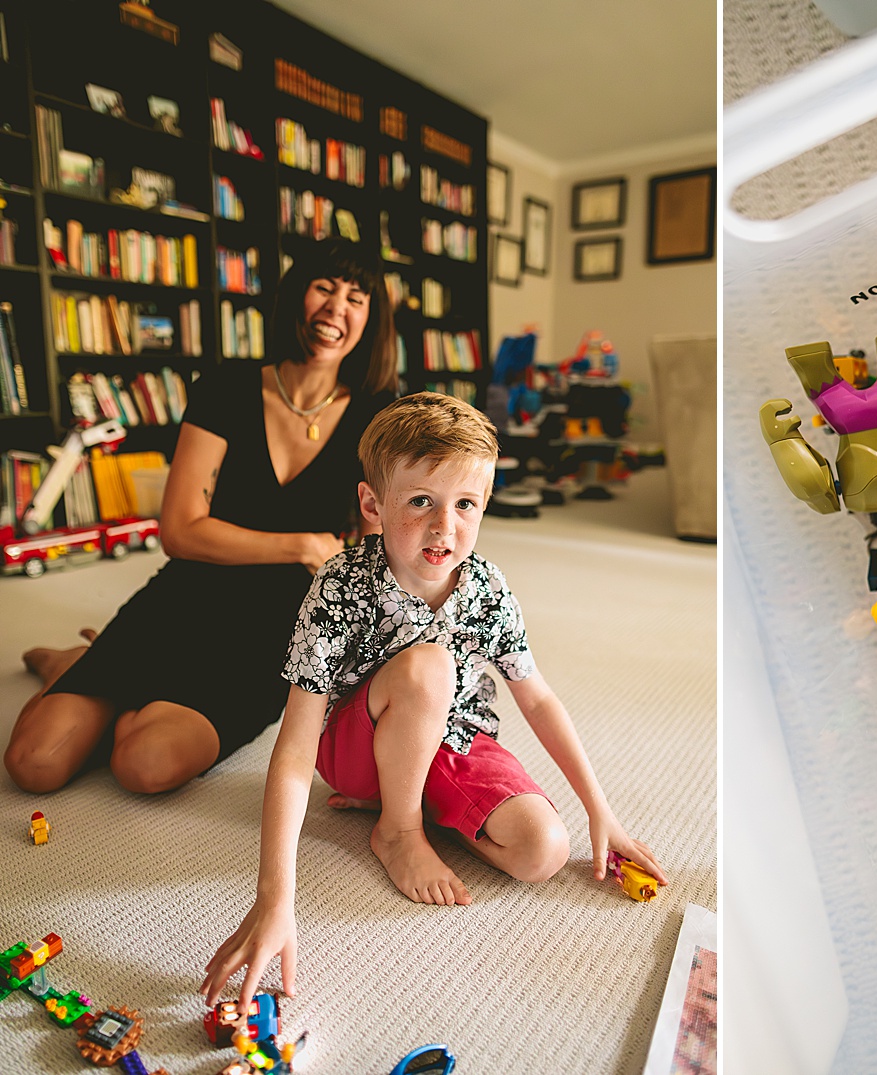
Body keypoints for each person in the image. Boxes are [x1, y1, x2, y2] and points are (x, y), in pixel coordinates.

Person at [201, 393, 666, 1008]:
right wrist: (274, 898)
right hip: (356, 744)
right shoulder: (339, 584)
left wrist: (599, 810)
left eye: (466, 504)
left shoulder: (488, 588)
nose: (445, 528)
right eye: (421, 501)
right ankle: (397, 828)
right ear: (373, 504)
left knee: (542, 852)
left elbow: (539, 699)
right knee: (429, 666)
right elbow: (293, 748)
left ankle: (417, 794)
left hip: (454, 735)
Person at [4, 239, 398, 795]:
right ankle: (82, 664)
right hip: (188, 594)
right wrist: (304, 546)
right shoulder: (229, 386)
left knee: (143, 764)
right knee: (32, 763)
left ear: (371, 319)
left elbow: (375, 550)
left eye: (357, 298)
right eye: (325, 288)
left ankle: (94, 673)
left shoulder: (379, 414)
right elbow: (180, 530)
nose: (337, 307)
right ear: (298, 297)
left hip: (281, 624)